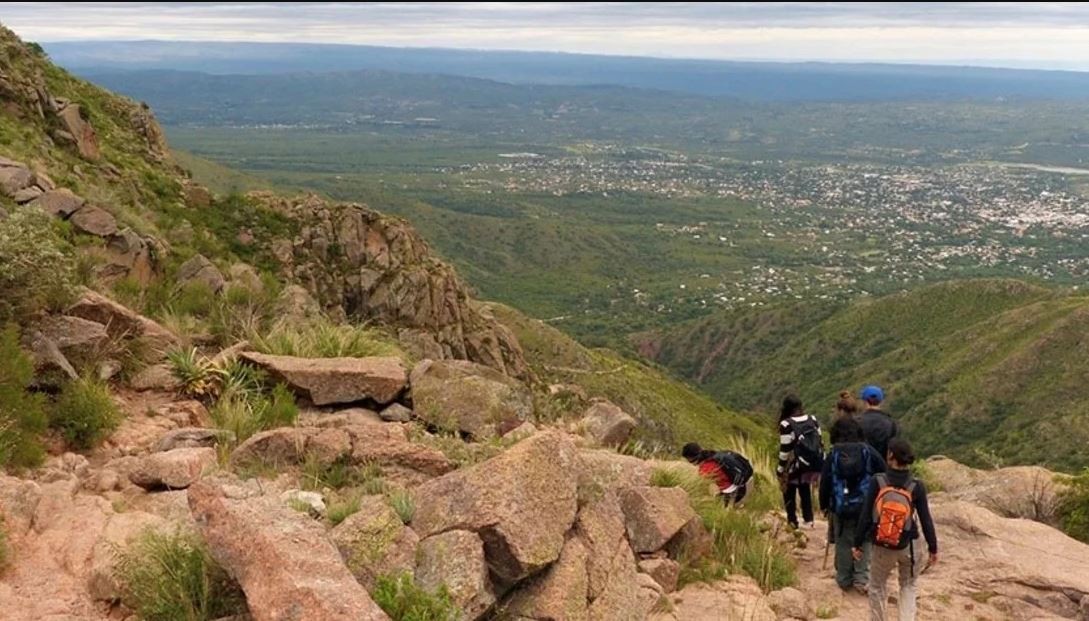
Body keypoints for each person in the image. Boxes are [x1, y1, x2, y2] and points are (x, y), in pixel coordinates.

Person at [852, 437, 938, 621]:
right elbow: (925, 519)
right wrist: (933, 548)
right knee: (908, 585)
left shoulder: (878, 482)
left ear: (890, 456)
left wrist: (857, 543)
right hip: (909, 544)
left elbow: (866, 514)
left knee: (877, 586)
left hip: (882, 543)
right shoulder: (916, 486)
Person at [820, 416, 886, 595]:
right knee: (865, 540)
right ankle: (861, 579)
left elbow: (825, 481)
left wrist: (824, 504)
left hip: (841, 507)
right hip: (866, 506)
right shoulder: (868, 451)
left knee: (843, 540)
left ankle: (844, 578)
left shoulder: (833, 454)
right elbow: (883, 471)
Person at [777, 395, 824, 529]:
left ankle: (792, 521)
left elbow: (785, 451)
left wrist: (780, 469)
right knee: (805, 488)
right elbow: (820, 441)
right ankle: (808, 519)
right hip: (812, 463)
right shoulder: (812, 419)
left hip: (795, 465)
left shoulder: (786, 424)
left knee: (789, 491)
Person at [683, 442, 753, 505]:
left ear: (691, 458)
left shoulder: (705, 469)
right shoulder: (715, 455)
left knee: (712, 505)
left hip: (734, 493)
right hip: (743, 484)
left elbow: (702, 489)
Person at [858, 385, 898, 461]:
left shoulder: (857, 422)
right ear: (881, 401)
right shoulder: (890, 423)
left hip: (861, 468)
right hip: (883, 467)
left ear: (865, 401)